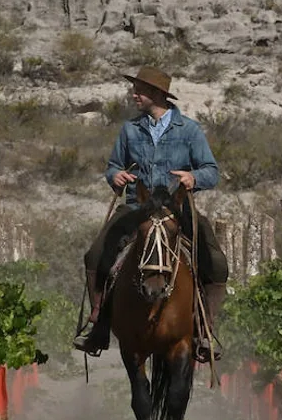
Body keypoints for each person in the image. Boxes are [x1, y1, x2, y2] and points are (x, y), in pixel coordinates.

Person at [73, 65, 229, 359]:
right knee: (95, 255)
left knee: (217, 263)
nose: (134, 95)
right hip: (136, 208)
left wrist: (193, 178)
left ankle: (205, 328)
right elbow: (114, 166)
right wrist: (115, 176)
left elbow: (211, 171)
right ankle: (98, 323)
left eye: (140, 90)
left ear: (157, 94)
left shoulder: (190, 130)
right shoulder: (130, 130)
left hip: (178, 209)